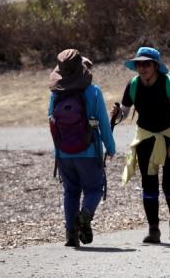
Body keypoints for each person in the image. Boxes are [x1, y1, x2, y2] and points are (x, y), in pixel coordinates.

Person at [113, 46, 170, 244]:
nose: (142, 67)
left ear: (155, 65)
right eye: (138, 64)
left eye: (146, 64)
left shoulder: (169, 83)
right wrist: (118, 113)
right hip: (145, 138)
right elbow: (126, 111)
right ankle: (153, 229)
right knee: (149, 183)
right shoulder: (133, 84)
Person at [48, 49, 116, 248]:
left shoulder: (55, 94)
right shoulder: (93, 92)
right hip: (89, 151)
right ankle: (84, 216)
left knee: (70, 192)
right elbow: (103, 123)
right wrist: (110, 148)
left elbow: (51, 121)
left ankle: (71, 235)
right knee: (94, 188)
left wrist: (58, 150)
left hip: (63, 152)